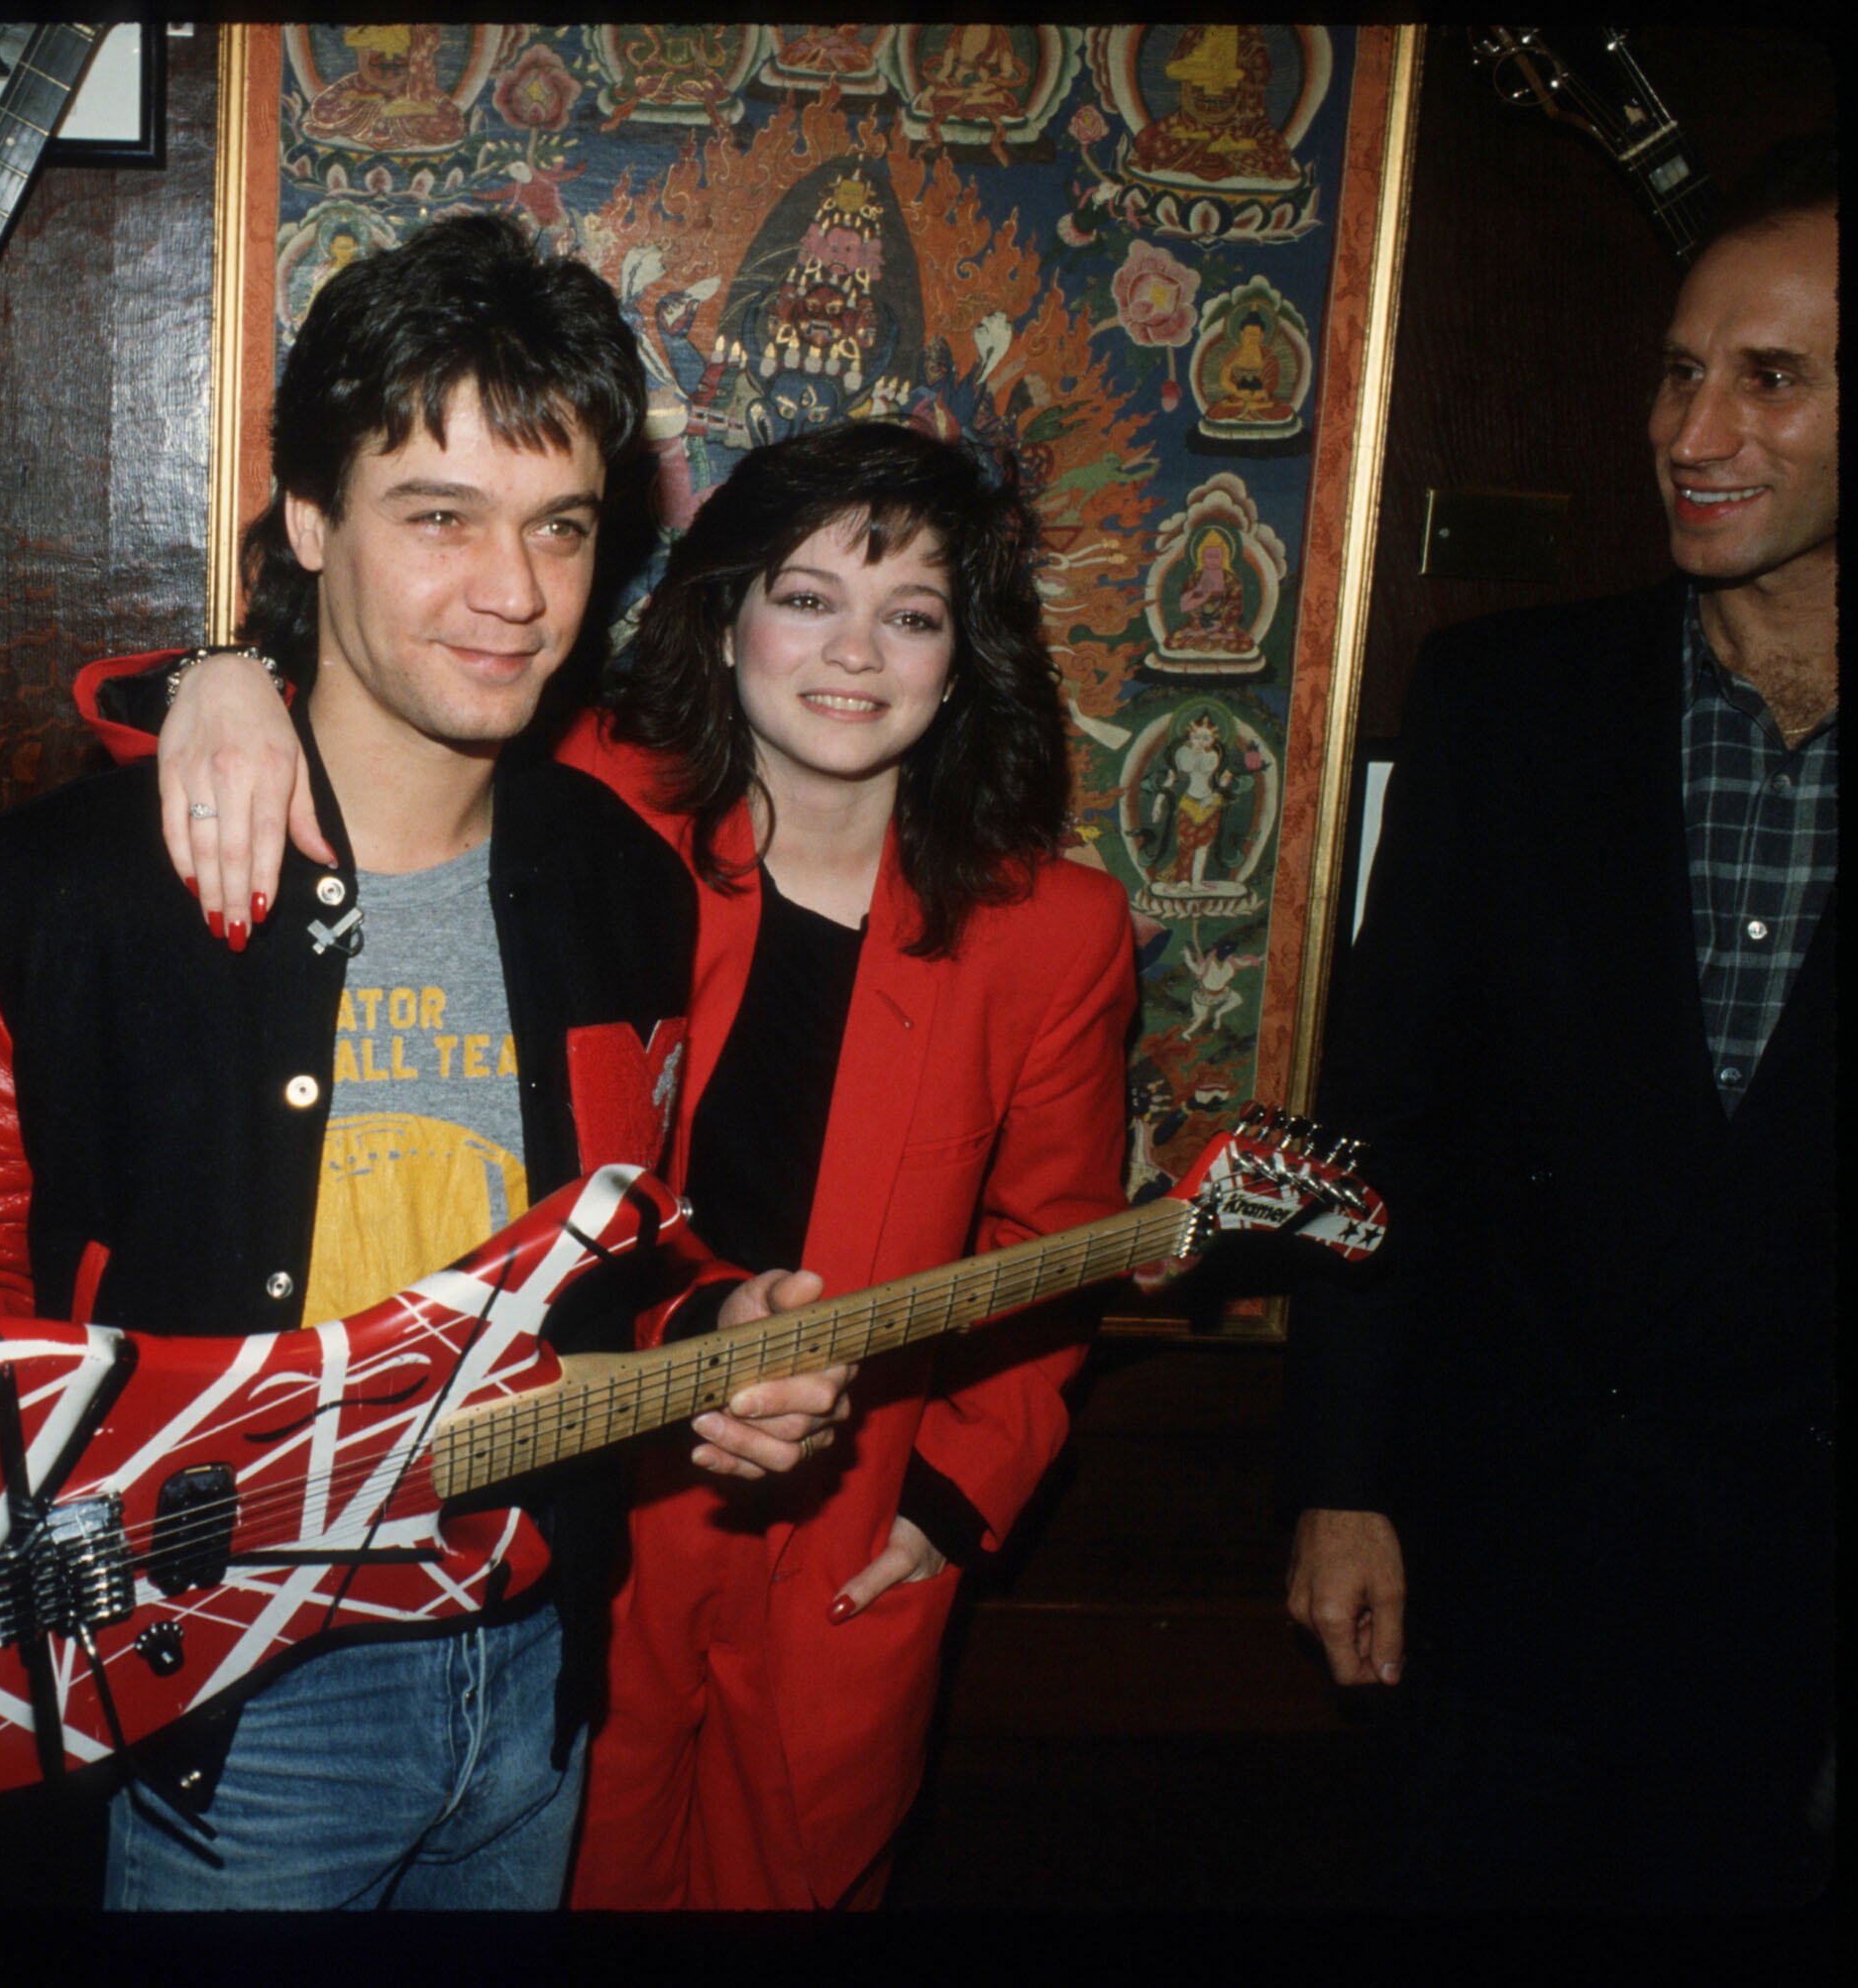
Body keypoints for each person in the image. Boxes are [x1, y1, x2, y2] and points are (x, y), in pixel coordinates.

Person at [0, 213, 853, 1912]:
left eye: (560, 528)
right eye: (437, 517)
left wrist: (719, 1320)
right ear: (308, 517)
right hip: (220, 1700)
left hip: (533, 1662)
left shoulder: (624, 879)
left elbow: (624, 1234)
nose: (512, 593)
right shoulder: (51, 888)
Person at [118, 419, 1135, 1909]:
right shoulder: (588, 818)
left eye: (910, 614)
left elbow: (1058, 1237)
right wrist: (217, 675)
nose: (855, 651)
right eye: (807, 597)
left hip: (842, 1530)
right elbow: (362, 709)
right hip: (576, 1510)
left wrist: (946, 1505)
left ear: (959, 654)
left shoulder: (1050, 929)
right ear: (724, 617)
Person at [1280, 134, 1837, 1909]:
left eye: (1770, 379)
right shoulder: (1509, 703)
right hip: (1496, 1568)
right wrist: (1340, 1482)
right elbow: (1378, 1121)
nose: (1691, 435)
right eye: (1678, 371)